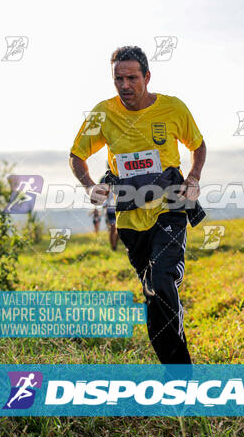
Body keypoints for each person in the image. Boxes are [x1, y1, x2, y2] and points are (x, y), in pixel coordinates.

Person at [69, 46, 206, 364]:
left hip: (169, 207)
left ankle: (181, 376)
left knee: (162, 280)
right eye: (118, 78)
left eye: (132, 77)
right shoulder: (102, 114)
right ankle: (173, 368)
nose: (125, 85)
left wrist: (195, 176)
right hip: (130, 219)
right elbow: (77, 155)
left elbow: (198, 145)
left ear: (147, 76)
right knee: (152, 294)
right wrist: (90, 186)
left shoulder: (172, 108)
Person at [99, 163, 119, 251]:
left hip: (120, 206)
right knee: (112, 227)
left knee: (119, 228)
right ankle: (113, 248)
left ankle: (115, 243)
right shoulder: (104, 179)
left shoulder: (121, 175)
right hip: (110, 207)